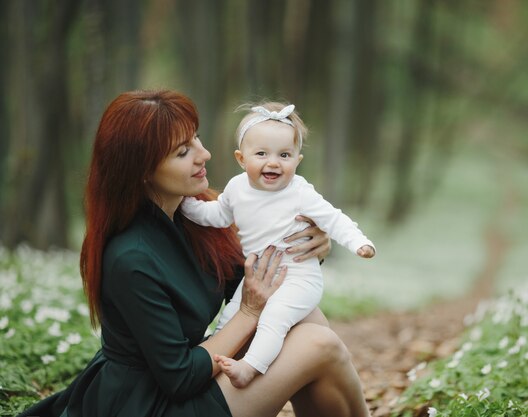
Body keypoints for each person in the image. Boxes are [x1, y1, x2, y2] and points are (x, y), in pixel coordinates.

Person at [17, 90, 371, 417]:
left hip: (188, 378)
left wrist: (313, 244)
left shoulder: (195, 217)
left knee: (307, 318)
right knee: (317, 343)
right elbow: (179, 376)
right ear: (142, 172)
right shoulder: (131, 258)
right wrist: (248, 312)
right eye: (182, 151)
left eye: (196, 139)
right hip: (152, 403)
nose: (204, 154)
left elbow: (247, 272)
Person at [181, 102, 375, 388]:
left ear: (297, 160)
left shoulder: (300, 192)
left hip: (298, 278)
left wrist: (359, 242)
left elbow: (334, 219)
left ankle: (251, 367)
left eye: (284, 155)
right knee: (231, 316)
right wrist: (186, 207)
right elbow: (217, 215)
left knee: (275, 317)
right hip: (258, 277)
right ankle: (217, 366)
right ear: (241, 158)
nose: (273, 162)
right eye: (261, 154)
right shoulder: (236, 188)